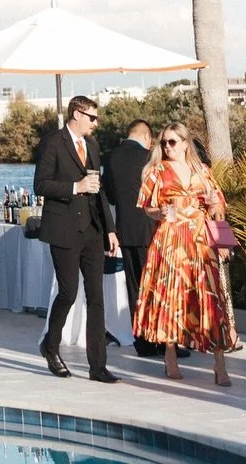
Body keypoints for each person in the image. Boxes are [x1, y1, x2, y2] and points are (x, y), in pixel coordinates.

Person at [134, 121, 235, 386]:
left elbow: (218, 209)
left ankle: (220, 363)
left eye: (172, 142)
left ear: (185, 143)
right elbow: (147, 208)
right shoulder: (157, 172)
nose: (167, 147)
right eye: (164, 142)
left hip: (200, 240)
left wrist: (213, 204)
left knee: (210, 298)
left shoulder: (203, 171)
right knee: (172, 295)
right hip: (170, 238)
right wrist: (160, 213)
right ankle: (170, 355)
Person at [34, 95, 119, 383]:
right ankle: (50, 344)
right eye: (92, 117)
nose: (96, 123)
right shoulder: (53, 142)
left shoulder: (92, 145)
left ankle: (98, 366)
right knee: (68, 293)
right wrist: (75, 186)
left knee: (96, 298)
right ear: (77, 114)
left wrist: (110, 229)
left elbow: (99, 189)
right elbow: (40, 184)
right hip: (64, 229)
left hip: (93, 230)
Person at [102, 120, 159, 356]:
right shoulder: (149, 157)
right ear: (146, 136)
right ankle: (163, 341)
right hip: (150, 228)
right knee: (156, 286)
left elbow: (110, 196)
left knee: (134, 287)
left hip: (125, 230)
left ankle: (142, 342)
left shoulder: (111, 157)